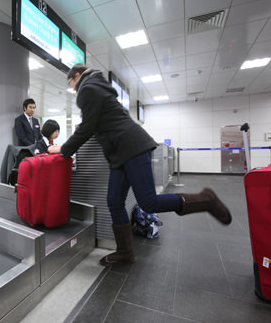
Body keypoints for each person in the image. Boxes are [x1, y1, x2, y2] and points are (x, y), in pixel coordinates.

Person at [48, 63, 232, 266]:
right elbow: (96, 124)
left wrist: (64, 149)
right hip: (120, 153)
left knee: (149, 202)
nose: (72, 88)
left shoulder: (87, 88)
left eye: (71, 83)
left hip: (132, 148)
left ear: (76, 76)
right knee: (114, 201)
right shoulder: (97, 86)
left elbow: (87, 126)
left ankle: (205, 199)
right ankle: (125, 252)